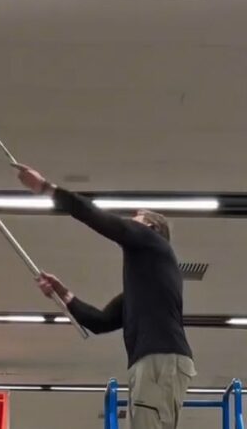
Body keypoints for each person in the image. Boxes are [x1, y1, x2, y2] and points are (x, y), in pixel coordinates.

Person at [14, 163, 196, 429]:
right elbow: (100, 321)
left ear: (151, 227)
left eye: (136, 217)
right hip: (154, 361)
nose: (130, 221)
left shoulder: (154, 244)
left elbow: (99, 219)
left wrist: (46, 189)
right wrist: (62, 293)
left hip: (160, 359)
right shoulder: (144, 288)